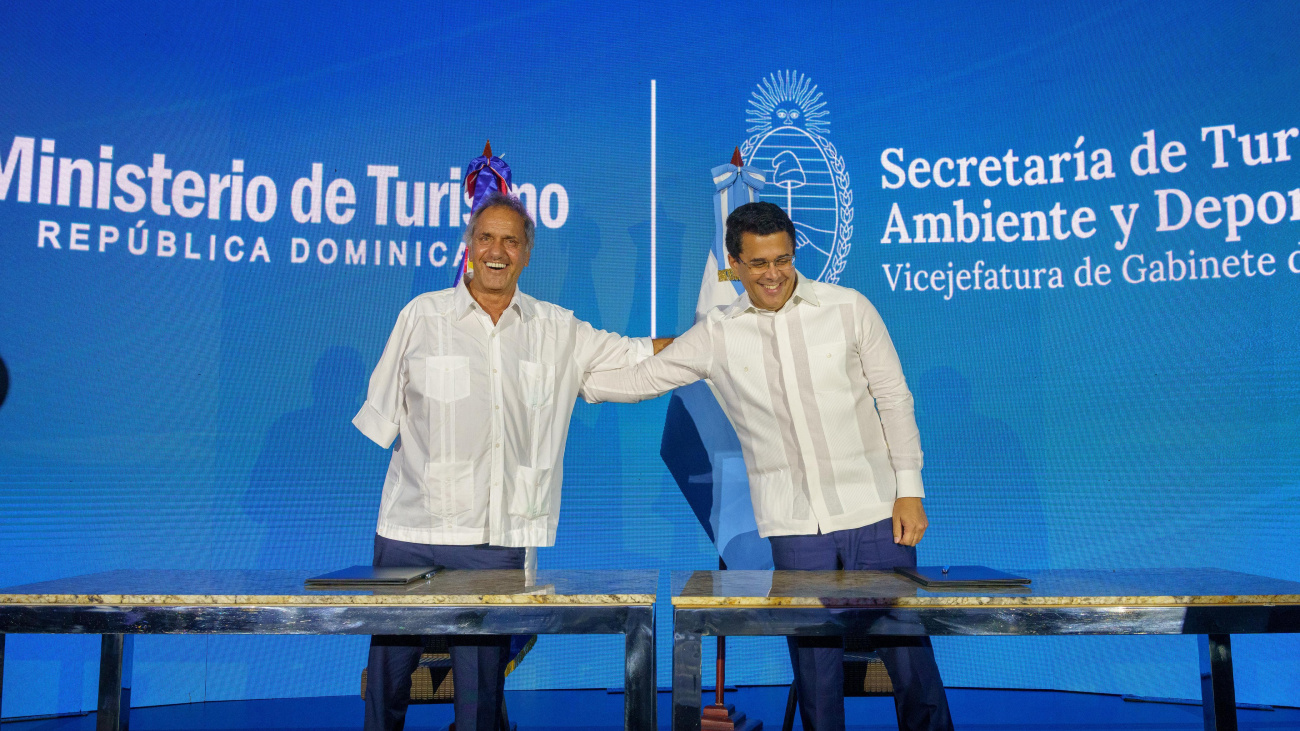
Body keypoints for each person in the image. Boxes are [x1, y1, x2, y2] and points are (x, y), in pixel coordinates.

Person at [581, 201, 953, 731]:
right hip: (793, 526)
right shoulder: (717, 332)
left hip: (875, 512)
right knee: (815, 672)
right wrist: (571, 383)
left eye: (782, 259)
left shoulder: (849, 308)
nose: (774, 274)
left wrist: (909, 490)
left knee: (910, 658)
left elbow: (894, 398)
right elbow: (645, 379)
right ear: (733, 265)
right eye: (758, 264)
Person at [353, 189, 670, 731]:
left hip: (494, 540)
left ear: (526, 253)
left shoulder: (557, 328)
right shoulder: (422, 316)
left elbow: (635, 356)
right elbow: (381, 416)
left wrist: (713, 344)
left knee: (480, 699)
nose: (496, 251)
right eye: (486, 238)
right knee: (387, 685)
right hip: (410, 533)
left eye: (510, 240)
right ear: (469, 246)